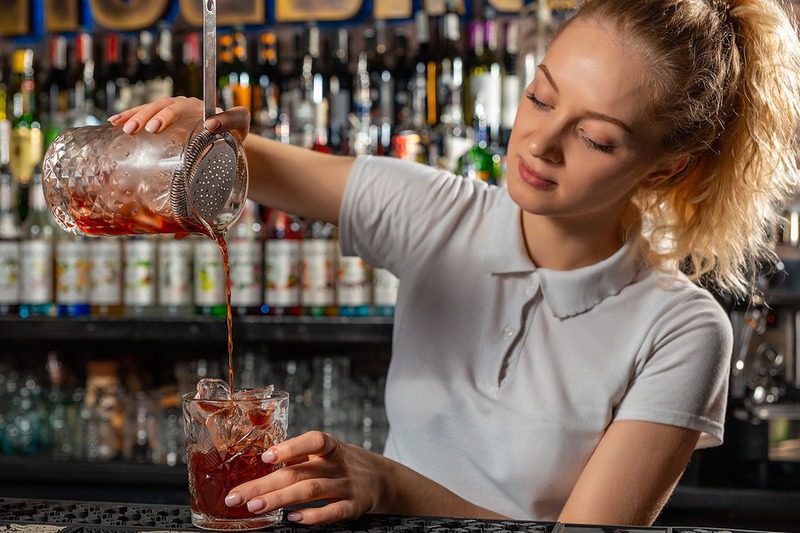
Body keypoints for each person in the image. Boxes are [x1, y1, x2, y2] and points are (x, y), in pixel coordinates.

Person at [110, 0, 800, 527]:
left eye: (594, 137)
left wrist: (391, 484)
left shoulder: (680, 329)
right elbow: (246, 161)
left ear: (666, 167)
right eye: (541, 95)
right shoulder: (439, 212)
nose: (542, 143)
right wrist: (193, 135)